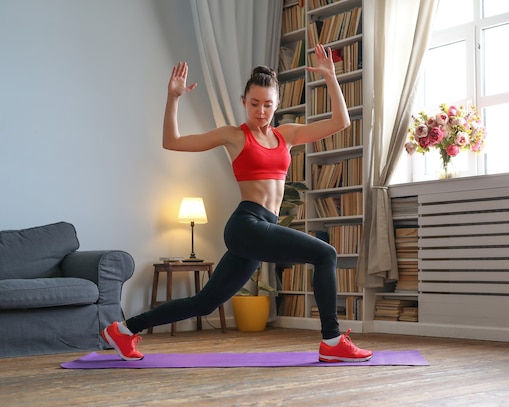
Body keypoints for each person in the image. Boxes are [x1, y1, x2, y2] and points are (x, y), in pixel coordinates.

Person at [101, 44, 372, 363]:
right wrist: (174, 97)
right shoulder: (234, 136)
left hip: (262, 229)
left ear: (277, 105)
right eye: (254, 103)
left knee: (203, 304)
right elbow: (172, 141)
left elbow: (340, 122)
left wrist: (330, 77)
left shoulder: (287, 135)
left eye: (267, 105)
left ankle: (123, 330)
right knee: (325, 253)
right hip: (247, 224)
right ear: (244, 102)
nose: (260, 111)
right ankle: (332, 341)